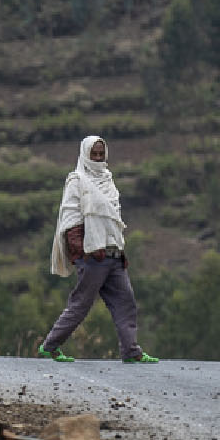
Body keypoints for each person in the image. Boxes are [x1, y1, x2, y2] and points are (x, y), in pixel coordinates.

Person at [36, 136, 158, 364]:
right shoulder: (77, 181)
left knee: (126, 301)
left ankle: (131, 351)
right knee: (81, 305)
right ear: (85, 154)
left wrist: (118, 249)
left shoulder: (108, 180)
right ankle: (49, 347)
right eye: (95, 154)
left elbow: (113, 219)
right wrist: (83, 253)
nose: (99, 158)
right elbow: (71, 220)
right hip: (93, 258)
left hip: (113, 256)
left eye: (102, 154)